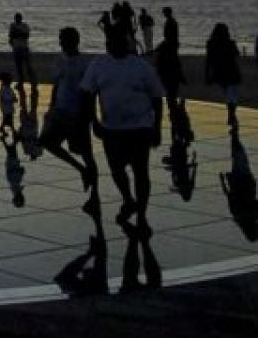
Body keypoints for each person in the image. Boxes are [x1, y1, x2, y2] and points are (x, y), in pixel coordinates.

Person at [80, 27, 164, 232]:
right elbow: (88, 94)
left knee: (140, 171)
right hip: (111, 128)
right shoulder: (98, 65)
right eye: (111, 42)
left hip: (140, 127)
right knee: (116, 169)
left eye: (118, 41)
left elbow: (156, 97)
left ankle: (142, 214)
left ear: (126, 44)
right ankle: (128, 198)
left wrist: (157, 127)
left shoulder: (141, 67)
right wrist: (94, 122)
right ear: (107, 45)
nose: (114, 45)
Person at [40, 27, 98, 201]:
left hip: (78, 113)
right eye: (60, 39)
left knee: (87, 154)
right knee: (46, 141)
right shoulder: (59, 60)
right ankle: (80, 169)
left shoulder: (85, 63)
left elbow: (90, 92)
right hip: (60, 111)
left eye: (63, 39)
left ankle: (94, 194)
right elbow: (57, 85)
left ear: (74, 41)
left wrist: (91, 117)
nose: (61, 43)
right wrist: (51, 107)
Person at [205, 23, 243, 128]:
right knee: (232, 95)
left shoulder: (211, 43)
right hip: (231, 72)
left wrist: (207, 75)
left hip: (219, 73)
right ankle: (232, 114)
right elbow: (237, 54)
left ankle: (231, 114)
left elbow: (208, 61)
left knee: (228, 94)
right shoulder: (230, 43)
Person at [8, 13, 37, 105]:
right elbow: (11, 36)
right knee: (19, 67)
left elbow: (26, 36)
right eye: (16, 18)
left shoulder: (25, 26)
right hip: (16, 48)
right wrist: (13, 41)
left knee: (28, 67)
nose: (17, 20)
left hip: (24, 48)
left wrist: (17, 34)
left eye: (18, 18)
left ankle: (33, 84)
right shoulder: (12, 25)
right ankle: (21, 82)